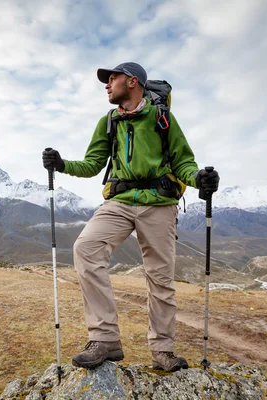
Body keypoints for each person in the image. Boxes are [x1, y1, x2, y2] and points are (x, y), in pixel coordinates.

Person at [42, 62, 220, 372]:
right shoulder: (108, 122)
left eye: (112, 78)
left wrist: (200, 180)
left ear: (132, 81)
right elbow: (93, 164)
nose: (107, 85)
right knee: (86, 247)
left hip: (160, 203)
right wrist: (62, 164)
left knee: (160, 278)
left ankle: (163, 350)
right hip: (120, 201)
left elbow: (183, 162)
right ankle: (105, 339)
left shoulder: (162, 118)